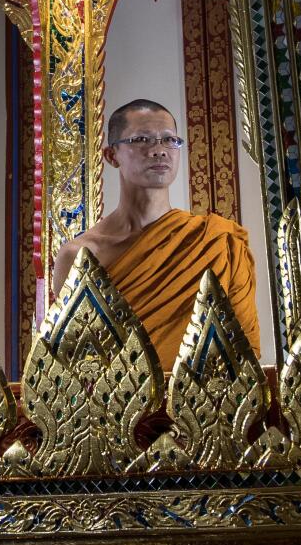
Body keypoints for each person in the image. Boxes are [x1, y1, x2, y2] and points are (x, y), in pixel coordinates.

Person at [50, 98, 260, 364]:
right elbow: (75, 361)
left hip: (207, 402)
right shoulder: (80, 256)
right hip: (119, 402)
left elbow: (242, 353)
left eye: (170, 140)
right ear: (112, 156)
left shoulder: (216, 241)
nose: (159, 150)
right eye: (141, 140)